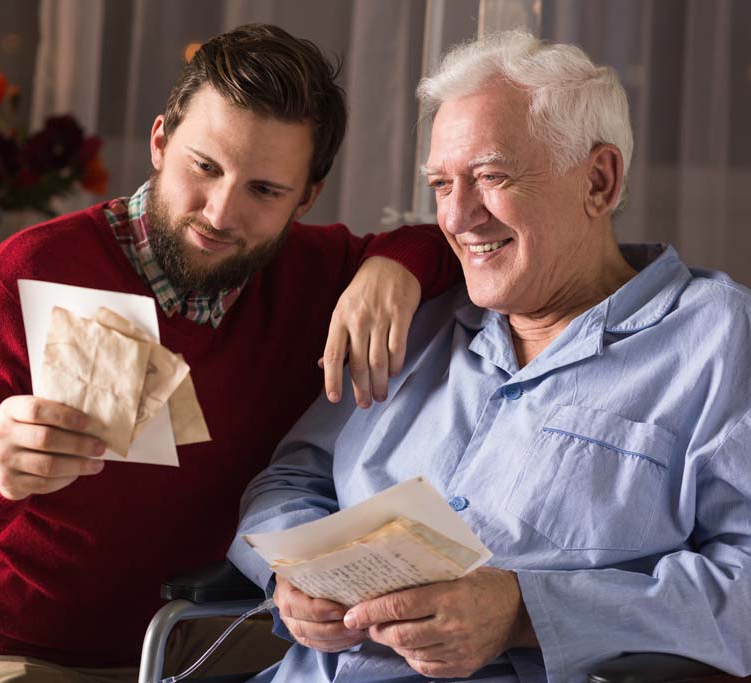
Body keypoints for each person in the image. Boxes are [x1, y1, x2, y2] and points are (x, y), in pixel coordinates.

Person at [0, 23, 461, 683]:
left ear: (306, 198)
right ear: (159, 141)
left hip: (188, 642)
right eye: (203, 167)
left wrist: (393, 266)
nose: (220, 212)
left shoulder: (314, 273)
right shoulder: (28, 271)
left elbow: (450, 243)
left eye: (265, 190)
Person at [229, 29, 751, 683]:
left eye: (491, 177)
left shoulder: (719, 337)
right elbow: (291, 479)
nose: (459, 216)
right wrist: (292, 574)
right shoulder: (425, 315)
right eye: (442, 184)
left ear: (599, 179)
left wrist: (527, 611)